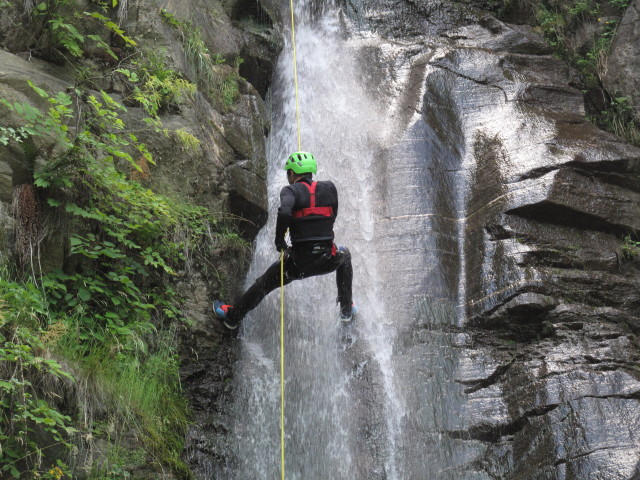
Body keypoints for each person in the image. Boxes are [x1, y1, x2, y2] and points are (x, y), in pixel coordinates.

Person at [213, 151, 357, 331]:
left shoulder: (290, 190)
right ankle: (346, 311)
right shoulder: (330, 188)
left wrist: (279, 241)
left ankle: (232, 318)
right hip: (326, 258)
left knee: (263, 284)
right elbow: (332, 213)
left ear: (292, 173)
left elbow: (284, 212)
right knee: (345, 256)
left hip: (298, 264)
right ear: (311, 171)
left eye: (288, 172)